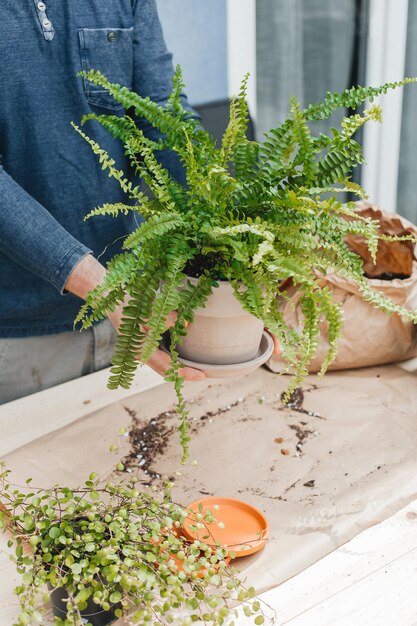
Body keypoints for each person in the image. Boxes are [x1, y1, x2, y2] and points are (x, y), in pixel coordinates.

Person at [0, 1, 280, 405]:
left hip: (138, 308)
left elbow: (161, 114)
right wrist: (102, 287)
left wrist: (240, 238)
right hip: (18, 335)